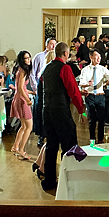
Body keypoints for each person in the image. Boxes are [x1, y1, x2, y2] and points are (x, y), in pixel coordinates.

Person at [40, 42, 86, 191]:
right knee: (69, 143)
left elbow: (43, 83)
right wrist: (81, 110)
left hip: (46, 109)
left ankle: (49, 181)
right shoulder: (64, 68)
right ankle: (69, 179)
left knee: (52, 145)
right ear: (66, 54)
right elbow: (73, 90)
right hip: (60, 109)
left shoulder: (47, 68)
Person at [78, 49, 109, 143]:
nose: (98, 58)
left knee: (101, 119)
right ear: (91, 57)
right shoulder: (85, 70)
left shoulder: (103, 69)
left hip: (100, 96)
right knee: (92, 119)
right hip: (90, 95)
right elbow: (81, 83)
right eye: (96, 56)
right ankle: (92, 139)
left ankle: (100, 140)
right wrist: (87, 84)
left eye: (100, 57)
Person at [29, 38, 57, 147]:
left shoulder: (56, 58)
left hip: (51, 91)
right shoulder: (39, 57)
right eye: (51, 44)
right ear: (46, 45)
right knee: (40, 113)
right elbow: (33, 74)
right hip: (40, 89)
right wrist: (35, 89)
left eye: (55, 44)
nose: (53, 46)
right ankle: (41, 136)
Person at [10, 50, 35, 161]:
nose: (29, 60)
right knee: (29, 126)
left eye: (29, 57)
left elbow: (21, 87)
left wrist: (30, 92)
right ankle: (21, 150)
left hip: (18, 98)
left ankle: (16, 146)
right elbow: (20, 87)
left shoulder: (19, 70)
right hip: (21, 99)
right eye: (26, 58)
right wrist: (27, 99)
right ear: (22, 59)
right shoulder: (23, 70)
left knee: (24, 126)